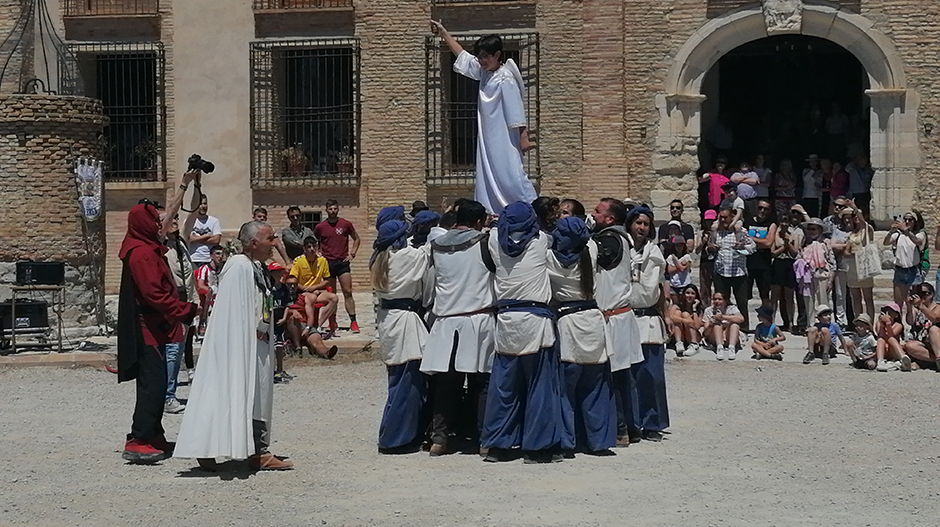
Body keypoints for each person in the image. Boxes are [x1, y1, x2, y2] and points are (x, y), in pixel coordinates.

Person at [175, 221, 294, 471]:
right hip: (243, 345)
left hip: (256, 342)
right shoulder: (239, 267)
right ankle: (234, 449)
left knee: (256, 395)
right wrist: (249, 335)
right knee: (230, 391)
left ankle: (256, 449)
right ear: (253, 243)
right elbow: (233, 311)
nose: (274, 243)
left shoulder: (255, 266)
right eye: (270, 238)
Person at [482, 201, 566, 463]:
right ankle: (537, 447)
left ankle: (498, 445)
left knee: (504, 387)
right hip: (536, 320)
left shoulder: (494, 241)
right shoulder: (540, 240)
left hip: (507, 320)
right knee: (540, 387)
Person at [116, 203, 198, 463]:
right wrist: (185, 310)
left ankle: (154, 434)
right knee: (152, 384)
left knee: (159, 381)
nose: (158, 226)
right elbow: (154, 294)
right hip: (146, 328)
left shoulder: (147, 249)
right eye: (154, 221)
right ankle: (138, 438)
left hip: (156, 326)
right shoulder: (141, 254)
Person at [431, 21, 537, 214]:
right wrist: (444, 34)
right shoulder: (484, 73)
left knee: (510, 174)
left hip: (505, 138)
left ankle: (530, 210)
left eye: (485, 56)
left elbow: (516, 111)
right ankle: (493, 212)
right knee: (489, 175)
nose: (481, 60)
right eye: (479, 56)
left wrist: (523, 139)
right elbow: (462, 56)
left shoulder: (505, 78)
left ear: (497, 55)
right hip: (488, 137)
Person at [420, 200, 496, 457]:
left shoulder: (435, 246)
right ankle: (485, 439)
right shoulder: (485, 243)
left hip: (446, 320)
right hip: (478, 320)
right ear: (478, 222)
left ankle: (439, 439)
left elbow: (430, 283)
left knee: (446, 384)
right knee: (481, 382)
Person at [547, 216, 615, 454]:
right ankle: (599, 441)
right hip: (593, 321)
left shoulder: (549, 258)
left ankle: (567, 441)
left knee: (565, 391)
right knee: (595, 388)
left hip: (567, 323)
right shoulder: (592, 249)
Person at [371, 219, 431, 454]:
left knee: (396, 380)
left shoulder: (379, 258)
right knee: (408, 383)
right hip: (405, 320)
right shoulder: (406, 256)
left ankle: (393, 433)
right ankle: (397, 439)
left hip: (388, 319)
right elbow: (428, 252)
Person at [591, 198, 643, 446]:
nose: (593, 214)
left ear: (610, 219)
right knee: (622, 377)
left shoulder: (610, 240)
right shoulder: (616, 237)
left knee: (614, 377)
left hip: (614, 319)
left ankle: (621, 429)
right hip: (618, 317)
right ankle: (630, 429)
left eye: (598, 211)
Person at [624, 206, 670, 442]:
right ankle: (631, 424)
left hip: (649, 319)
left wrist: (667, 315)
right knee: (628, 376)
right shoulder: (621, 249)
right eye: (638, 223)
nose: (641, 228)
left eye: (646, 224)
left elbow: (660, 287)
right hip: (626, 317)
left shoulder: (655, 253)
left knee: (652, 376)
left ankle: (652, 422)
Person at [314, 199, 362, 333]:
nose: (333, 211)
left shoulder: (345, 224)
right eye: (330, 209)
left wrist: (352, 254)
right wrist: (318, 253)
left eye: (335, 208)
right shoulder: (320, 227)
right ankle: (332, 322)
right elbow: (313, 241)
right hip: (328, 263)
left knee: (348, 292)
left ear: (338, 209)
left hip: (342, 263)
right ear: (326, 210)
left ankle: (353, 321)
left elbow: (356, 238)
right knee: (331, 295)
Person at [710, 207, 756, 330]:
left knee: (742, 302)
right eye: (721, 217)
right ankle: (723, 326)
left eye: (725, 217)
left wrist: (742, 247)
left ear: (732, 217)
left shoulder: (741, 232)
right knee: (721, 302)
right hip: (721, 272)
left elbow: (753, 247)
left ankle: (744, 327)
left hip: (738, 273)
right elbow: (709, 248)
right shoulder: (716, 232)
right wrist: (711, 248)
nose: (723, 219)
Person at [290, 236, 339, 337]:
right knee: (311, 298)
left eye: (314, 246)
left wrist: (315, 288)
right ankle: (310, 325)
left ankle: (318, 326)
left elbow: (327, 281)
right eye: (309, 247)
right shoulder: (298, 261)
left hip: (316, 291)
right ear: (304, 249)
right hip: (302, 292)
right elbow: (292, 280)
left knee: (334, 298)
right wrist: (304, 288)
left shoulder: (322, 261)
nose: (312, 249)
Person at [884, 210, 927, 323]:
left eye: (910, 220)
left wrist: (906, 231)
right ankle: (899, 328)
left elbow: (917, 241)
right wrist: (891, 231)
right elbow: (886, 242)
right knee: (898, 303)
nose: (907, 221)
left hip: (913, 271)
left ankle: (914, 327)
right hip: (899, 270)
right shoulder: (898, 235)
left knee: (912, 303)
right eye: (905, 219)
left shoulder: (920, 234)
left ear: (915, 222)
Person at [796, 218, 835, 333]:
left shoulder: (825, 242)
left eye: (813, 229)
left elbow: (832, 262)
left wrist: (830, 280)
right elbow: (799, 257)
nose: (811, 232)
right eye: (809, 229)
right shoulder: (804, 242)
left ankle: (825, 326)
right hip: (807, 276)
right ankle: (811, 326)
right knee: (808, 302)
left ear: (820, 230)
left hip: (822, 274)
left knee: (823, 301)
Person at [770, 206, 801, 332]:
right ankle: (771, 321)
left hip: (789, 263)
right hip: (778, 263)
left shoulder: (794, 234)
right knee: (775, 295)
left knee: (789, 295)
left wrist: (788, 243)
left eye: (786, 221)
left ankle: (791, 322)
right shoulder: (775, 233)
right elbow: (772, 252)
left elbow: (795, 253)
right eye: (782, 221)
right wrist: (783, 247)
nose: (783, 224)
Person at [745, 199, 777, 311]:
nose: (762, 211)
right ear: (756, 208)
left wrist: (750, 238)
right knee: (744, 295)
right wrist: (761, 241)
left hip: (764, 264)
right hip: (748, 263)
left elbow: (768, 243)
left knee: (765, 296)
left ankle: (767, 322)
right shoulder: (747, 222)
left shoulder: (771, 224)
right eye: (760, 208)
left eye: (766, 209)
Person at [844, 204, 876, 317]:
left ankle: (870, 324)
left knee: (868, 298)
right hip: (853, 267)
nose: (857, 218)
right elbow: (846, 251)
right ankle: (859, 322)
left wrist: (855, 208)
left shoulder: (867, 230)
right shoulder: (852, 234)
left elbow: (864, 224)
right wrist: (854, 253)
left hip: (864, 267)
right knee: (856, 298)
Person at [903, 283, 940, 371]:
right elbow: (910, 321)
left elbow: (935, 318)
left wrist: (921, 306)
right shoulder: (916, 310)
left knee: (933, 330)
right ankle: (935, 362)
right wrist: (909, 306)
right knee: (909, 346)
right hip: (924, 343)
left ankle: (938, 357)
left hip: (937, 341)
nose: (920, 296)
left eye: (923, 293)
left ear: (931, 295)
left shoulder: (938, 307)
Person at [828, 207, 853, 327]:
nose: (848, 220)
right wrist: (847, 245)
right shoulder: (838, 231)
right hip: (841, 265)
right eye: (845, 218)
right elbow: (833, 245)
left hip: (854, 266)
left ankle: (854, 320)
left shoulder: (858, 231)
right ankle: (841, 321)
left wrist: (842, 246)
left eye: (850, 218)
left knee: (854, 295)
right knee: (840, 294)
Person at [702, 292, 744, 360]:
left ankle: (731, 347)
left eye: (720, 299)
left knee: (734, 323)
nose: (717, 301)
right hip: (714, 337)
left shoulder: (731, 308)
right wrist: (711, 324)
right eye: (715, 299)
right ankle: (719, 348)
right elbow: (705, 333)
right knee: (717, 323)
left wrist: (723, 317)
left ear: (725, 300)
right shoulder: (708, 310)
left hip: (728, 337)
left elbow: (741, 319)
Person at [194, 245, 225, 336]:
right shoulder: (204, 269)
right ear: (211, 256)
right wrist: (215, 291)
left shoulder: (223, 269)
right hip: (207, 297)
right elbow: (200, 285)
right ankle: (203, 322)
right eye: (217, 254)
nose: (220, 256)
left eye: (222, 254)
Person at [669, 285, 704, 357]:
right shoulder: (677, 305)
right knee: (678, 313)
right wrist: (685, 320)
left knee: (685, 314)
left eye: (692, 293)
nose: (690, 296)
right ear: (684, 294)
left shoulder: (699, 308)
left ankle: (694, 345)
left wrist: (694, 309)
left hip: (693, 335)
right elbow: (671, 317)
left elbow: (697, 326)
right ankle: (679, 342)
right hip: (680, 333)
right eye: (687, 293)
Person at [188, 194, 222, 268]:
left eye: (205, 203)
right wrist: (206, 236)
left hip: (209, 260)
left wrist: (196, 239)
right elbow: (187, 239)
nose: (203, 206)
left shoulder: (214, 221)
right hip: (193, 259)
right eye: (200, 204)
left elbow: (216, 240)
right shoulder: (190, 221)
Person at [873, 303, 907, 372]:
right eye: (886, 310)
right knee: (880, 340)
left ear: (896, 315)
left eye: (891, 311)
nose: (888, 313)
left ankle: (903, 357)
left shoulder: (898, 325)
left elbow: (891, 335)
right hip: (884, 349)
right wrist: (882, 324)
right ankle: (880, 361)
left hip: (892, 350)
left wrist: (888, 324)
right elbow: (881, 335)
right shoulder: (878, 323)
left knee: (891, 339)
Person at [697, 209, 718, 301]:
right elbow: (696, 250)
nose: (710, 223)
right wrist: (703, 242)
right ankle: (705, 306)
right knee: (705, 286)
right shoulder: (701, 233)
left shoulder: (719, 233)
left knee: (718, 286)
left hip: (717, 261)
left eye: (712, 220)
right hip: (705, 261)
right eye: (708, 220)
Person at [665, 237, 693, 302]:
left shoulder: (687, 257)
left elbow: (683, 269)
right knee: (675, 304)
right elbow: (669, 270)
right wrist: (680, 265)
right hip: (674, 284)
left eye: (681, 245)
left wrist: (676, 261)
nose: (679, 247)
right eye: (677, 245)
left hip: (684, 284)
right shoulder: (670, 257)